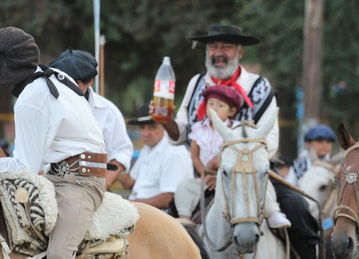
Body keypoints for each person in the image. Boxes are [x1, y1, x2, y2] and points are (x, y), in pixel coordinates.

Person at [152, 24, 319, 258]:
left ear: (240, 52)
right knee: (168, 221)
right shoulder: (196, 83)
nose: (218, 52)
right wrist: (166, 121)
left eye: (226, 47)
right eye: (212, 47)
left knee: (297, 208)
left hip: (255, 174)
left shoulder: (260, 86)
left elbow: (270, 141)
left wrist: (227, 157)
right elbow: (181, 134)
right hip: (204, 178)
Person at [0, 27, 106, 259]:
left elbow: (24, 167)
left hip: (80, 184)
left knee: (59, 255)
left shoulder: (30, 99)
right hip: (58, 177)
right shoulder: (54, 76)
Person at [175, 85, 291, 228]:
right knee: (184, 187)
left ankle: (273, 213)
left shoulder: (237, 129)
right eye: (210, 104)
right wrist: (205, 174)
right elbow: (195, 156)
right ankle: (185, 221)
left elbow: (242, 152)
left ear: (231, 111)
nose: (214, 108)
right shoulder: (198, 128)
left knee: (261, 182)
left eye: (220, 105)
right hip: (206, 178)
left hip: (234, 176)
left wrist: (220, 170)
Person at [49, 50, 133, 188]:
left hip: (93, 186)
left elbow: (122, 150)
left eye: (75, 82)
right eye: (65, 81)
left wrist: (105, 182)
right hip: (50, 183)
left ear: (89, 81)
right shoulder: (48, 108)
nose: (69, 87)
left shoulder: (108, 112)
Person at [117, 105, 193, 209]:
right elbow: (128, 182)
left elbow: (169, 199)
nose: (145, 133)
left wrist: (129, 204)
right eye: (142, 128)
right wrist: (111, 163)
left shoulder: (173, 152)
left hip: (161, 216)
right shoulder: (148, 148)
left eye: (152, 127)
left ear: (165, 127)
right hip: (142, 210)